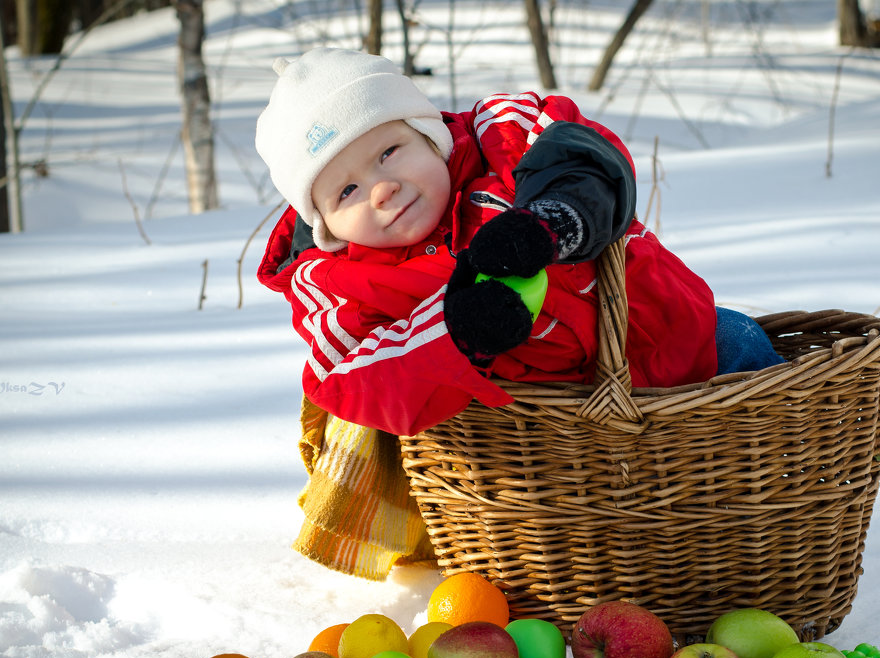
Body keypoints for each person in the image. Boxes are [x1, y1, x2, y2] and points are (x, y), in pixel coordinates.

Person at [253, 47, 784, 580]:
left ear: (429, 133)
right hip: (550, 437)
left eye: (389, 151)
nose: (382, 188)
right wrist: (457, 329)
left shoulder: (501, 138)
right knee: (621, 517)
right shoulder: (336, 284)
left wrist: (550, 221)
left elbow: (582, 154)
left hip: (683, 335)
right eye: (347, 190)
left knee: (761, 419)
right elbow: (344, 375)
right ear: (325, 225)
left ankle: (783, 511)